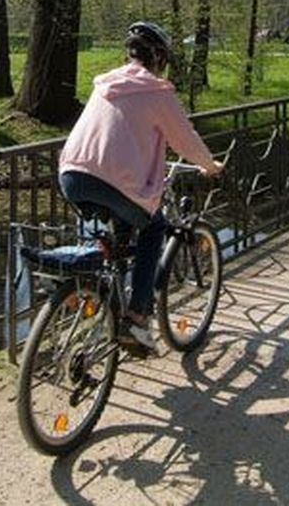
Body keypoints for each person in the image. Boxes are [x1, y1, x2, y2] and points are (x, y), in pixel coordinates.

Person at [58, 21, 224, 353]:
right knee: (154, 227)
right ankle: (135, 319)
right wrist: (210, 166)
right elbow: (185, 140)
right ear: (160, 58)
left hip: (71, 175)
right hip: (115, 182)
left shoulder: (105, 84)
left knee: (121, 233)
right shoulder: (157, 92)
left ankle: (109, 301)